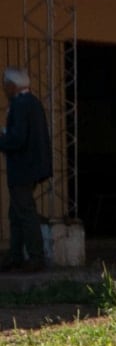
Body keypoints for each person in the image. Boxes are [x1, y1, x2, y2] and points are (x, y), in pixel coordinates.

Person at [0, 67, 52, 273]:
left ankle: (34, 256)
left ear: (12, 86)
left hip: (22, 168)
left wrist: (2, 139)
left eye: (5, 86)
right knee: (17, 213)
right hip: (32, 167)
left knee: (25, 212)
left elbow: (17, 138)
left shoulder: (19, 105)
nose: (4, 90)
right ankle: (15, 255)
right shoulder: (33, 103)